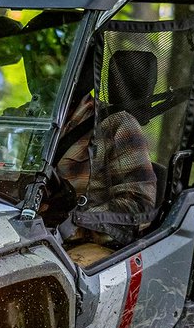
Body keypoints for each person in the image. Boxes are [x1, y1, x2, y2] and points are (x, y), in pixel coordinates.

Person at [50, 49, 158, 267]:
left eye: (52, 68)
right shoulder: (21, 123)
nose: (41, 76)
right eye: (32, 66)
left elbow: (139, 206)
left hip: (79, 247)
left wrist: (72, 223)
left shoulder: (116, 125)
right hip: (19, 238)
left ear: (81, 71)